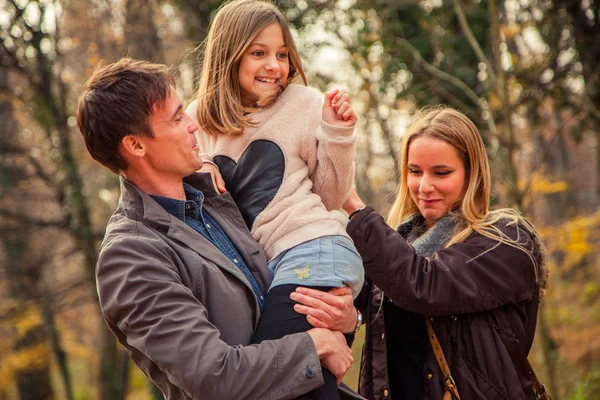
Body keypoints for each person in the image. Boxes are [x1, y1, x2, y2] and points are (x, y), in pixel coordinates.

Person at [76, 57, 355, 400]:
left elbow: (283, 295)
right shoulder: (131, 255)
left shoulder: (217, 199)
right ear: (136, 145)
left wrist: (345, 319)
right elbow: (213, 378)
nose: (193, 125)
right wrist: (312, 345)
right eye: (177, 118)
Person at [186, 1, 364, 398]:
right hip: (268, 271)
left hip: (315, 250)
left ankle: (325, 352)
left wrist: (338, 134)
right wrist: (200, 167)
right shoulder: (199, 117)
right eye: (259, 53)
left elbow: (331, 195)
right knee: (300, 385)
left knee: (268, 369)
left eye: (282, 54)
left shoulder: (302, 103)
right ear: (227, 56)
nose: (274, 65)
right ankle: (326, 361)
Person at [333, 107, 548, 399]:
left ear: (472, 174)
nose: (424, 186)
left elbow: (423, 284)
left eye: (441, 173)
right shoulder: (397, 248)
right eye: (415, 171)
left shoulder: (506, 240)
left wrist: (355, 208)